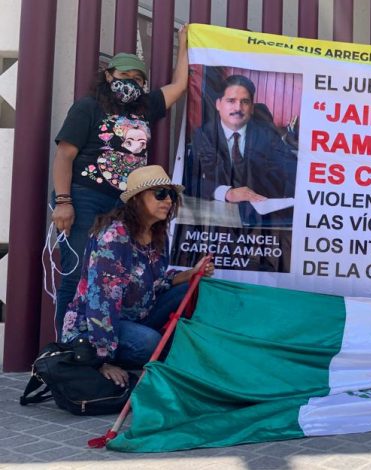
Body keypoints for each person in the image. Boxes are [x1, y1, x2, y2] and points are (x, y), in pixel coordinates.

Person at [50, 26, 190, 337]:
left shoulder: (145, 107)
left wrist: (184, 44)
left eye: (138, 79)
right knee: (77, 275)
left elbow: (179, 86)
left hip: (125, 203)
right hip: (85, 196)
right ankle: (67, 349)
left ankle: (108, 342)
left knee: (120, 273)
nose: (131, 83)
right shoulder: (88, 107)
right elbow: (64, 155)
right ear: (109, 76)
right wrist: (63, 201)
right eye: (124, 76)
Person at [59, 166, 215, 387]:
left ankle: (178, 353)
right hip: (94, 327)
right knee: (149, 342)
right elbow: (101, 303)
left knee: (193, 288)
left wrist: (193, 273)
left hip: (136, 315)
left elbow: (157, 284)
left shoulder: (157, 234)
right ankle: (117, 356)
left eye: (171, 194)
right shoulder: (114, 237)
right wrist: (102, 361)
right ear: (137, 199)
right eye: (160, 193)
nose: (168, 200)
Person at [188, 74, 297, 202]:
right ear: (218, 104)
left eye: (245, 102)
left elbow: (292, 172)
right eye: (231, 101)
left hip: (259, 213)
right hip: (217, 215)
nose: (238, 108)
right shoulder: (204, 135)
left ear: (251, 108)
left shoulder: (267, 134)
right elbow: (189, 180)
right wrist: (226, 193)